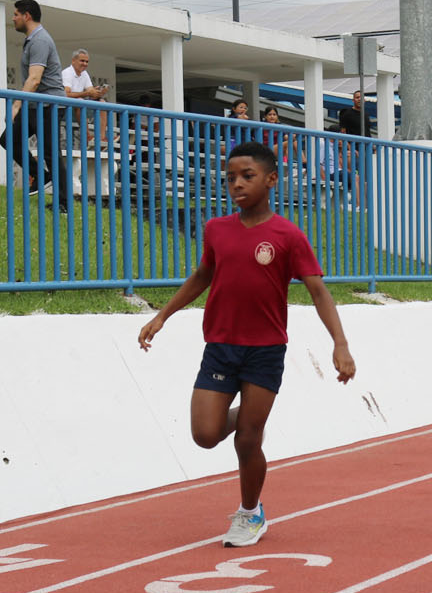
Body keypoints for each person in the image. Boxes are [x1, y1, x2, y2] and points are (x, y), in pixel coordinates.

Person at [137, 140, 355, 547]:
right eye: (230, 178)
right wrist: (162, 315)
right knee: (205, 434)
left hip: (265, 350)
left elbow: (319, 292)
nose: (236, 184)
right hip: (220, 345)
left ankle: (251, 513)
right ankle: (244, 414)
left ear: (271, 180)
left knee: (248, 440)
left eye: (247, 176)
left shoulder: (288, 236)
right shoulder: (216, 229)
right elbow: (203, 276)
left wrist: (340, 344)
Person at [0, 0, 73, 207]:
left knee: (50, 152)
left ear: (27, 16)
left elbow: (34, 79)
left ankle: (64, 204)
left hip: (49, 105)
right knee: (9, 139)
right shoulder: (32, 39)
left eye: (15, 14)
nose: (13, 18)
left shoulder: (40, 40)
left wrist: (16, 106)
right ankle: (41, 176)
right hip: (35, 104)